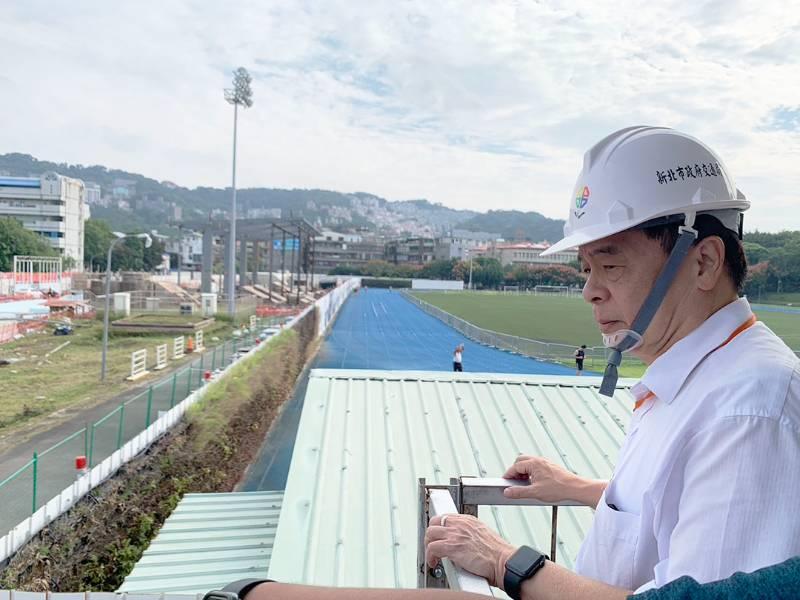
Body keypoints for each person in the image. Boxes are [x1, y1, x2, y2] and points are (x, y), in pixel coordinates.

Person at [216, 127, 800, 600]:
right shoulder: (701, 378)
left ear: (702, 262)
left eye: (611, 265)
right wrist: (576, 489)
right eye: (586, 269)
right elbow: (674, 512)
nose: (590, 291)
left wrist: (504, 561)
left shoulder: (748, 411)